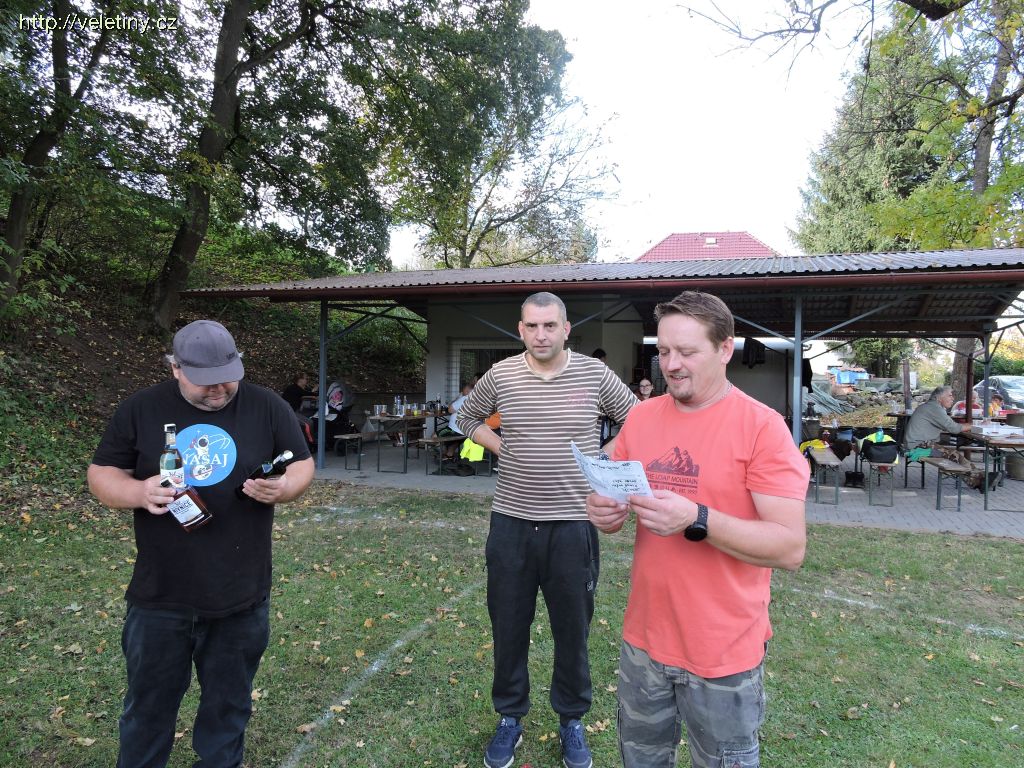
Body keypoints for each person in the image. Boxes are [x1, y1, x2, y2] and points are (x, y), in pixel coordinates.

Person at [585, 291, 809, 768]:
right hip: (644, 641)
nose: (671, 365)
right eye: (664, 351)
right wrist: (604, 511)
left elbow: (789, 547)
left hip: (723, 652)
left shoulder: (762, 428)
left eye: (687, 352)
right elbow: (612, 487)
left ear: (725, 349)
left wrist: (697, 518)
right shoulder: (642, 416)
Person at [87, 319, 315, 768]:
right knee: (148, 710)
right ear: (175, 368)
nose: (219, 389)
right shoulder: (141, 408)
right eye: (205, 381)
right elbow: (102, 474)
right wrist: (138, 492)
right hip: (160, 596)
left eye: (227, 377)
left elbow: (301, 464)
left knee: (227, 710)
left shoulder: (267, 406)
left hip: (241, 596)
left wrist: (284, 488)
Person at [456, 292, 637, 768]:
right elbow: (467, 416)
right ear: (520, 330)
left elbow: (637, 419)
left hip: (573, 525)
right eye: (532, 326)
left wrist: (604, 457)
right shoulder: (502, 375)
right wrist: (500, 446)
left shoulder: (594, 374)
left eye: (550, 326)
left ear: (566, 329)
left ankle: (571, 719)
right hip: (511, 522)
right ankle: (510, 716)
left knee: (572, 630)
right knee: (509, 626)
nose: (541, 335)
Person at [905, 385, 996, 491]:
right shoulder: (934, 408)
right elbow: (954, 428)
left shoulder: (932, 407)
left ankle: (980, 480)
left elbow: (950, 426)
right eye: (949, 395)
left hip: (920, 443)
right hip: (918, 446)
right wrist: (978, 425)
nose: (952, 398)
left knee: (954, 455)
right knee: (954, 456)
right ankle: (981, 479)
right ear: (939, 398)